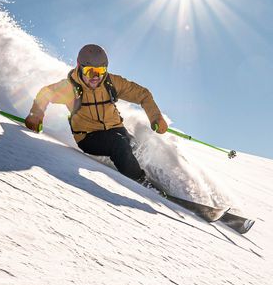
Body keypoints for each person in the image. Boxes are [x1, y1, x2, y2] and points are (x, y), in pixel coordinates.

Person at [24, 44, 168, 186]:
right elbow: (45, 93)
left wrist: (156, 117)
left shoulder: (111, 82)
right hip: (88, 137)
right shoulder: (70, 88)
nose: (96, 77)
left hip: (117, 129)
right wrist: (36, 114)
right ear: (79, 67)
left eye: (101, 71)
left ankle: (161, 181)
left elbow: (143, 95)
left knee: (137, 147)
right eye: (90, 71)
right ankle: (141, 184)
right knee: (119, 145)